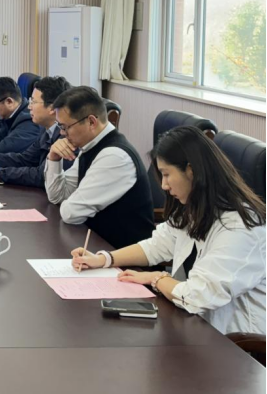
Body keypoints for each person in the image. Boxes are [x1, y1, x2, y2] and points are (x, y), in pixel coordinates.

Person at [72, 126, 266, 335]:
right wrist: (104, 259)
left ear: (191, 170)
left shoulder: (241, 228)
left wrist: (157, 279)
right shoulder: (196, 207)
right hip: (192, 324)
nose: (164, 185)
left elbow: (197, 296)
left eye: (166, 174)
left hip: (235, 342)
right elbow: (157, 246)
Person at [44, 86, 154, 249]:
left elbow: (71, 213)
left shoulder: (114, 157)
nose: (62, 133)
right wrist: (53, 158)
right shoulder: (91, 146)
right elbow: (58, 196)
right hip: (97, 248)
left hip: (123, 256)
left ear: (91, 122)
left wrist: (70, 201)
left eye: (65, 127)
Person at [0, 76, 71, 186]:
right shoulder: (47, 131)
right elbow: (24, 159)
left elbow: (42, 175)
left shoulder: (68, 136)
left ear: (52, 108)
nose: (29, 107)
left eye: (34, 102)